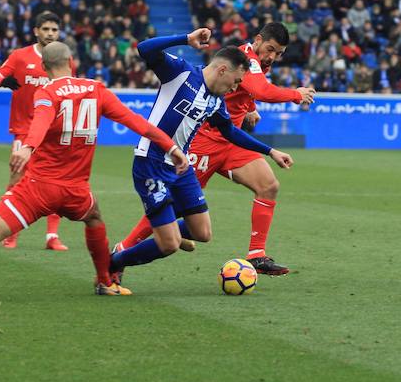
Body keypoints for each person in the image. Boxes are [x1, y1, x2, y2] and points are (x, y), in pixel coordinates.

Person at [0, 42, 189, 303]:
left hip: (37, 189)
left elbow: (40, 121)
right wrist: (171, 147)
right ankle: (105, 281)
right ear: (71, 61)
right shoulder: (96, 89)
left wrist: (27, 148)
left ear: (44, 68)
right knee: (94, 218)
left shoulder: (47, 92)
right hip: (76, 192)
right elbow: (138, 122)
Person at [116, 22, 315, 275]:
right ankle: (124, 247)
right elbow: (259, 89)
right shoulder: (246, 58)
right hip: (205, 139)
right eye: (271, 49)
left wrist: (249, 109)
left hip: (232, 140)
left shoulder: (256, 63)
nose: (273, 57)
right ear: (257, 40)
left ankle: (256, 254)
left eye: (279, 53)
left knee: (268, 185)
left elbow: (245, 91)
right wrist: (296, 95)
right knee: (175, 204)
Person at [0, 11, 72, 251]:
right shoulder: (20, 56)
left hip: (55, 131)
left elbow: (70, 87)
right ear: (36, 31)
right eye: (45, 29)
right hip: (25, 130)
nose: (50, 34)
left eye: (54, 30)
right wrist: (3, 80)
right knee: (17, 179)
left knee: (57, 181)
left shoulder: (63, 57)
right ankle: (10, 233)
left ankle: (52, 237)